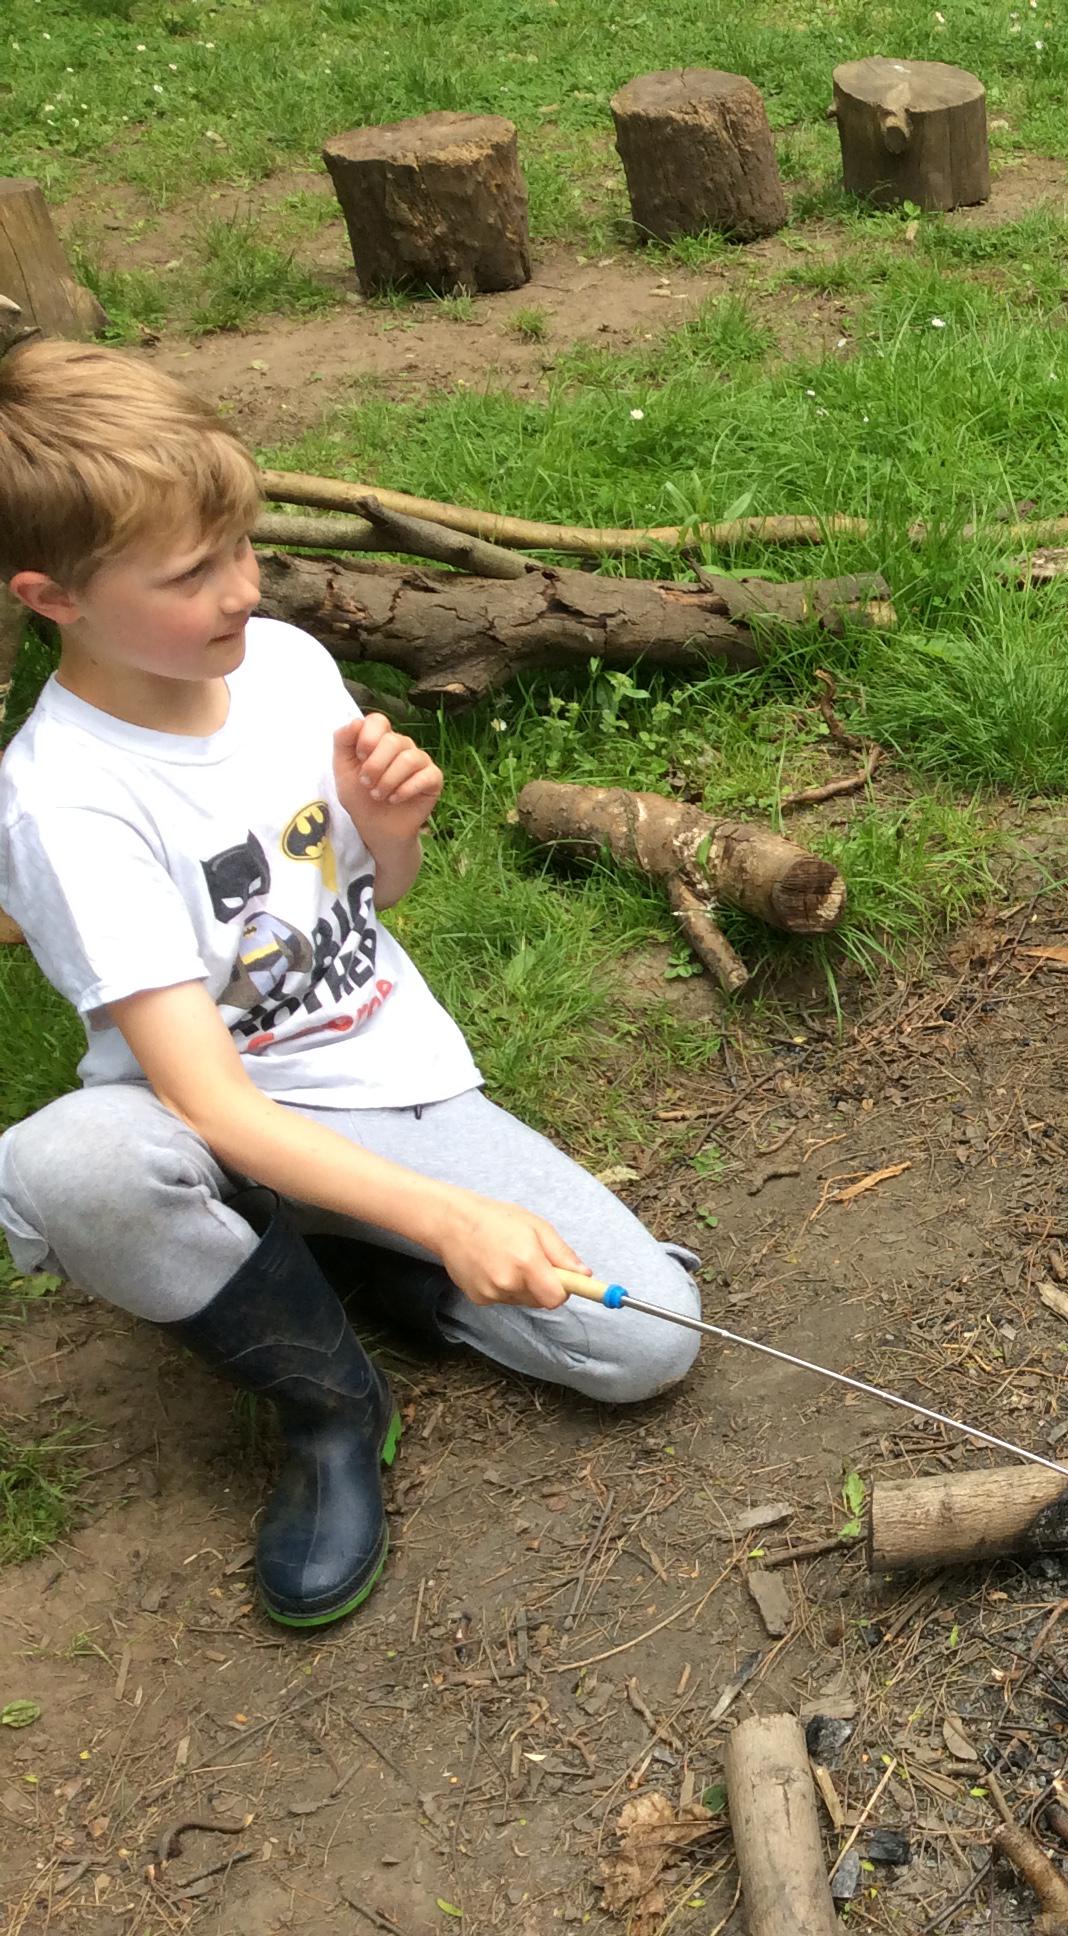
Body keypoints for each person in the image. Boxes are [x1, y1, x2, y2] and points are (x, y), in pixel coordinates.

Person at [0, 340, 700, 1628]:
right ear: (53, 597)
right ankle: (329, 1401)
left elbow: (371, 905)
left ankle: (349, 1260)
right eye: (191, 573)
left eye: (243, 545)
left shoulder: (277, 665)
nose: (242, 588)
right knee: (69, 1167)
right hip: (211, 1119)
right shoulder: (67, 802)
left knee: (650, 1335)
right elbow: (211, 1102)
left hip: (384, 1081)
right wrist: (451, 1216)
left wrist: (390, 829)